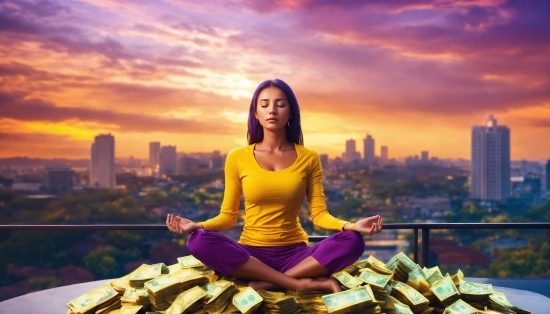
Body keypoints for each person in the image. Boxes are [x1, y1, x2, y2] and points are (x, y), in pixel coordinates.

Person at [166, 79, 383, 292]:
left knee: (353, 241)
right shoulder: (237, 157)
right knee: (198, 241)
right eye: (264, 104)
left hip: (296, 256)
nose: (272, 110)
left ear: (290, 112)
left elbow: (319, 215)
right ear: (255, 113)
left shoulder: (309, 158)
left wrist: (352, 226)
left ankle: (269, 282)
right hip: (250, 256)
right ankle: (295, 283)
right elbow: (228, 217)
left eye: (280, 104)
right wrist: (196, 226)